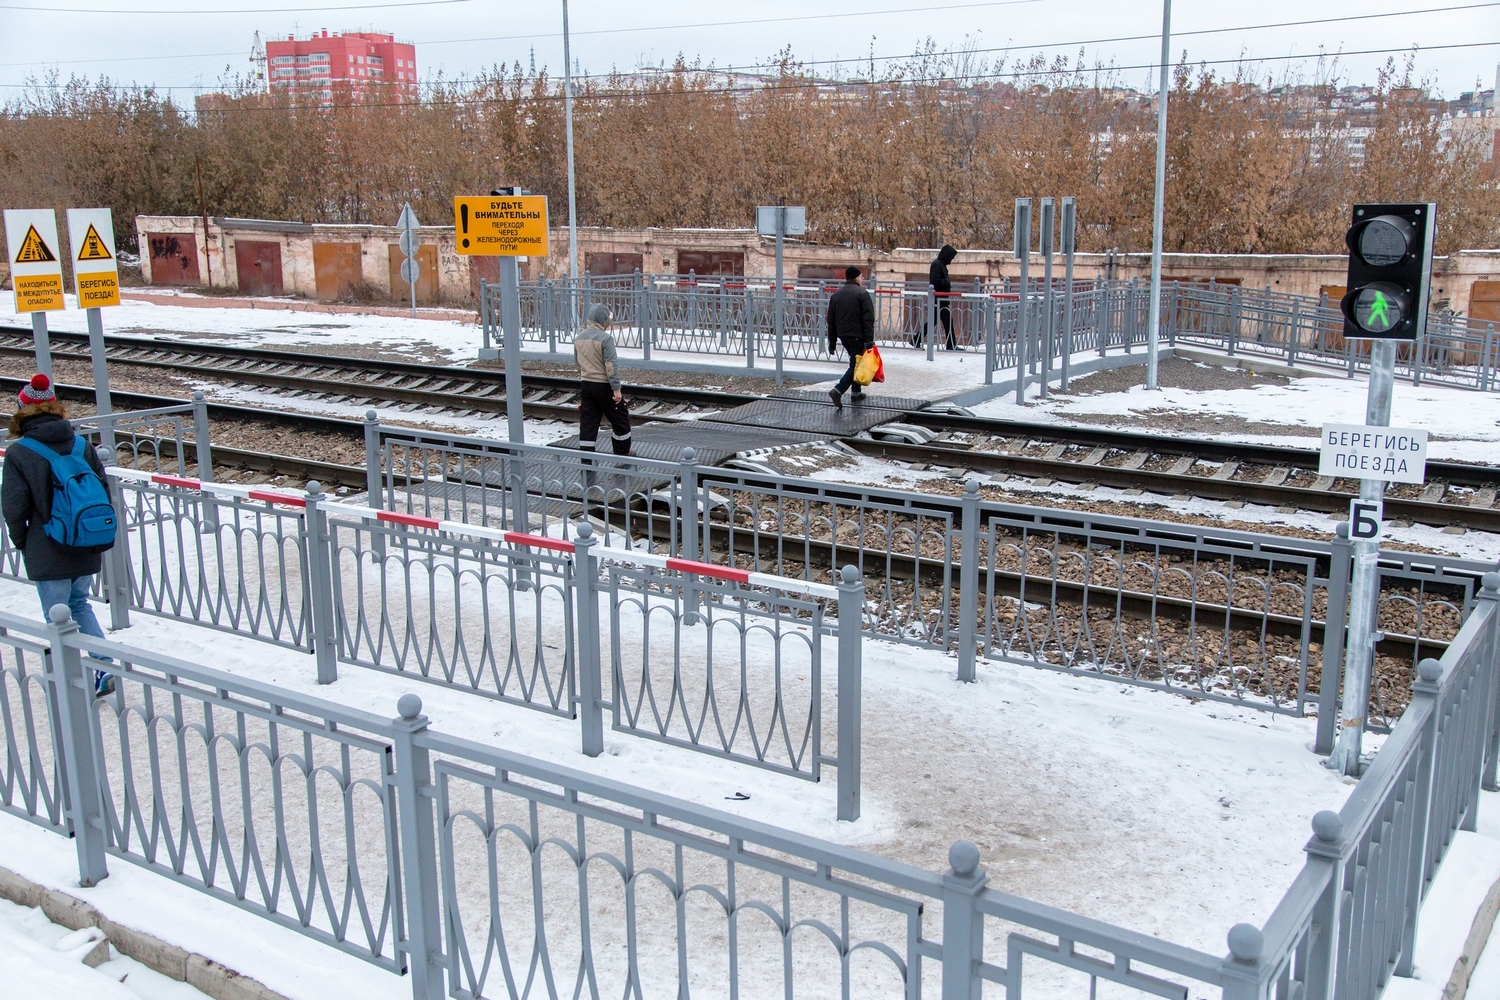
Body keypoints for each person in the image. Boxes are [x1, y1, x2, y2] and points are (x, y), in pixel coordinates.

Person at [1, 374, 115, 695]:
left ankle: (67, 685)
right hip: (87, 541)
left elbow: (14, 507)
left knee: (57, 619)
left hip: (47, 546)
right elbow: (103, 490)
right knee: (79, 604)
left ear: (23, 411)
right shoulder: (81, 444)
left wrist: (22, 542)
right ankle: (104, 665)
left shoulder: (20, 452)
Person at [573, 303, 632, 456]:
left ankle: (586, 456)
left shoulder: (578, 338)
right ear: (602, 321)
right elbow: (610, 366)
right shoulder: (606, 339)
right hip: (604, 386)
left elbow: (578, 363)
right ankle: (622, 452)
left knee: (588, 422)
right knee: (620, 418)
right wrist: (616, 389)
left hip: (586, 384)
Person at [825, 266, 875, 410]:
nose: (862, 280)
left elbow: (831, 321)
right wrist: (869, 339)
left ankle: (856, 392)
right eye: (861, 277)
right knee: (856, 365)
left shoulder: (836, 296)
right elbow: (868, 319)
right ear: (857, 278)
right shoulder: (862, 294)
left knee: (855, 360)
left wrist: (832, 342)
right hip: (857, 336)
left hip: (843, 335)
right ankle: (838, 391)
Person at [927, 243, 959, 350]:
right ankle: (951, 345)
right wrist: (946, 281)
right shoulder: (937, 264)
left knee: (936, 322)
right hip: (938, 299)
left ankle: (915, 339)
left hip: (942, 299)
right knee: (946, 322)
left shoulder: (941, 264)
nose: (951, 260)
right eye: (951, 257)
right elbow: (935, 280)